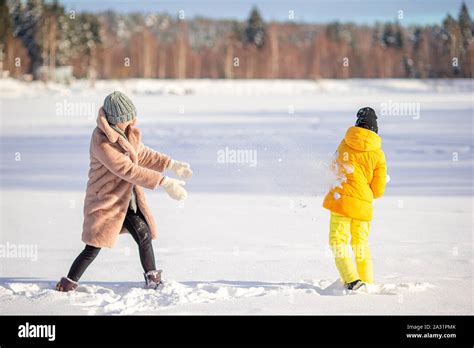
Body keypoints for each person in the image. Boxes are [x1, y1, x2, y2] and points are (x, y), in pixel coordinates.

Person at [56, 91, 192, 292]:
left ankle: (152, 278)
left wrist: (171, 164)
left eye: (132, 116)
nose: (131, 121)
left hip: (127, 201)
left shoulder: (126, 132)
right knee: (93, 247)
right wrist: (164, 182)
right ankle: (68, 283)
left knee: (143, 234)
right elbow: (128, 170)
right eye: (127, 118)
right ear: (115, 120)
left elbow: (142, 153)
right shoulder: (101, 141)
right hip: (106, 202)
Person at [323, 107, 387, 291]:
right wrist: (364, 193)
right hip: (363, 204)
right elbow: (378, 190)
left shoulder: (344, 144)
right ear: (375, 129)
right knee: (360, 243)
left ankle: (351, 280)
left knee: (338, 239)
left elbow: (332, 168)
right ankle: (367, 282)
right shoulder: (378, 154)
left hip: (341, 200)